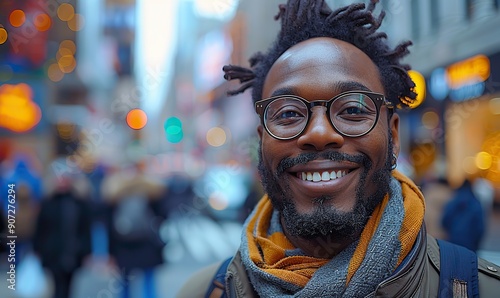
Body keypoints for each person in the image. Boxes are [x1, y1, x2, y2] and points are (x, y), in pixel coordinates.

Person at [177, 0, 500, 297]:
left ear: (393, 135)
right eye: (289, 113)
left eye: (353, 109)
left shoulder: (479, 288)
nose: (319, 133)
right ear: (262, 140)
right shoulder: (203, 292)